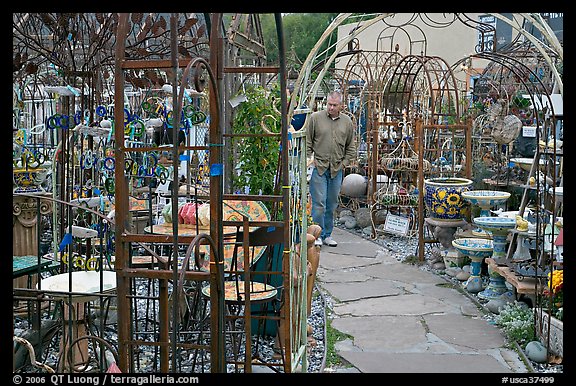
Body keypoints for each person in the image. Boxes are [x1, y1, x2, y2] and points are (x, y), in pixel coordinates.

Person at [305, 90, 356, 247]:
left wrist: (344, 163)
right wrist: (308, 161)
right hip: (319, 167)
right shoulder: (315, 118)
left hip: (336, 169)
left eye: (334, 105)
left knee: (332, 203)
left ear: (341, 105)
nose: (331, 108)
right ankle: (317, 235)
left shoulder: (347, 122)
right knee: (319, 204)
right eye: (329, 104)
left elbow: (351, 146)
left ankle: (327, 235)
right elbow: (308, 141)